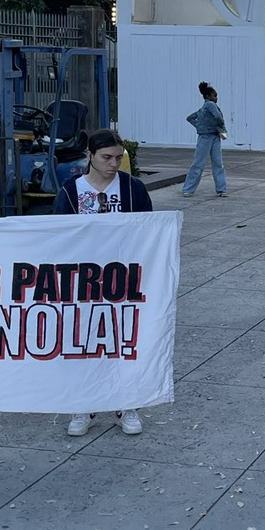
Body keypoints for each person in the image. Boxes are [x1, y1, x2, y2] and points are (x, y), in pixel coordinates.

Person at [54, 130, 153, 437]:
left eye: (118, 157)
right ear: (90, 156)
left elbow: (150, 231)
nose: (113, 164)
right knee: (83, 343)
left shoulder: (133, 188)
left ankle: (127, 403)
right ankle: (84, 403)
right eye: (106, 157)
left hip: (124, 278)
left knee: (124, 342)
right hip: (83, 280)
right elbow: (57, 234)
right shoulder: (71, 190)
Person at [182, 81, 228, 198]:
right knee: (216, 164)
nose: (216, 98)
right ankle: (221, 189)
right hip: (211, 136)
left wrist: (200, 126)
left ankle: (188, 189)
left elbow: (190, 118)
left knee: (199, 163)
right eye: (214, 95)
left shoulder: (203, 108)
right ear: (208, 96)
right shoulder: (210, 105)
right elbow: (218, 117)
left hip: (206, 136)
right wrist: (221, 126)